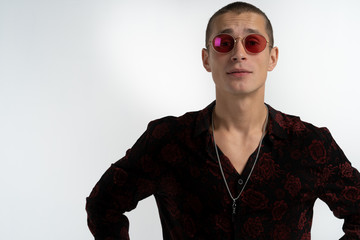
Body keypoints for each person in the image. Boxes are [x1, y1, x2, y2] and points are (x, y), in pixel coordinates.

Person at [86, 2, 360, 239]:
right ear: (207, 59)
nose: (239, 53)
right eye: (223, 43)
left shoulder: (310, 144)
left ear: (272, 58)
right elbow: (103, 204)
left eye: (253, 43)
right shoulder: (168, 139)